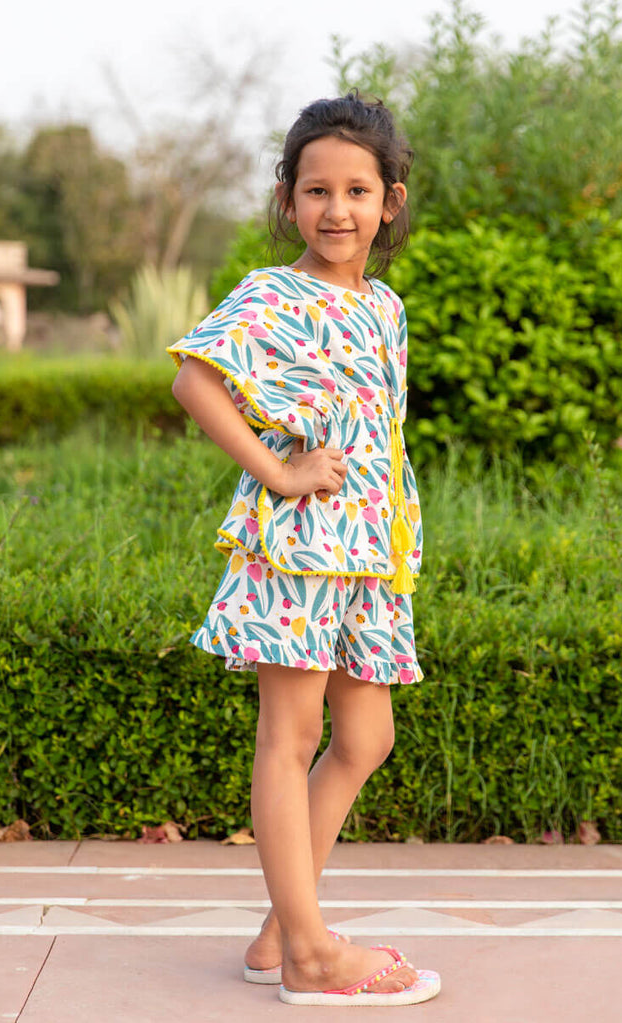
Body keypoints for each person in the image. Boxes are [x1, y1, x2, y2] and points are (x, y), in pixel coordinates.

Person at [168, 92, 439, 1008]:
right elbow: (194, 380)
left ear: (389, 202)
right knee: (289, 737)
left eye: (356, 191)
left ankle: (282, 929)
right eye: (316, 189)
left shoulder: (385, 305)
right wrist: (278, 473)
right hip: (300, 543)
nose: (336, 209)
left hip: (369, 549)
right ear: (287, 198)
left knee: (366, 736)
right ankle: (312, 956)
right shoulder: (271, 294)